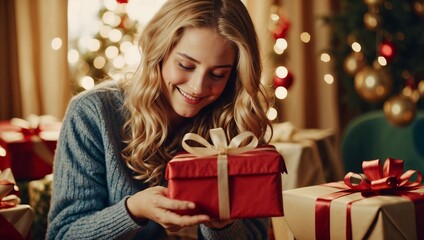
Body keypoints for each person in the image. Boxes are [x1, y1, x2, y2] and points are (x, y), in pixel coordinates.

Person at [47, 0, 273, 239]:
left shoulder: (239, 127)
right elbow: (63, 233)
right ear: (159, 51)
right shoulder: (93, 113)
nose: (198, 87)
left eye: (218, 74)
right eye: (185, 65)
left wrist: (222, 227)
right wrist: (133, 210)